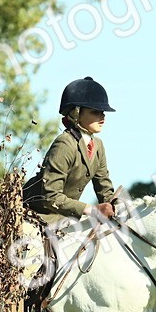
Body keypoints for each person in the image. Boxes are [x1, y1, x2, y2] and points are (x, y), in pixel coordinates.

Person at [23, 76, 119, 225]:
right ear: (76, 113)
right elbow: (51, 196)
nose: (102, 116)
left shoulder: (98, 145)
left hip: (64, 220)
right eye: (95, 111)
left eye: (103, 112)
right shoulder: (64, 144)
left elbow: (105, 191)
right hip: (34, 217)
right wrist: (92, 210)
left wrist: (117, 205)